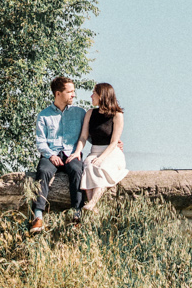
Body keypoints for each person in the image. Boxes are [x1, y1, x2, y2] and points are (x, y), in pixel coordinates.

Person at [28, 74, 86, 233]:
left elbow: (89, 133)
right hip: (51, 153)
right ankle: (38, 217)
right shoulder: (44, 115)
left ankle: (76, 215)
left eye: (74, 91)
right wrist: (50, 155)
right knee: (43, 171)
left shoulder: (80, 113)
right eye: (70, 92)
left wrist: (114, 143)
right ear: (58, 93)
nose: (73, 94)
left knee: (77, 171)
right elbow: (40, 141)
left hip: (71, 154)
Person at [77, 82, 129, 211]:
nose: (91, 96)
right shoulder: (90, 113)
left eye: (94, 93)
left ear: (102, 95)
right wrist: (78, 151)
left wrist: (101, 158)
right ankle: (91, 205)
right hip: (95, 151)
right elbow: (83, 137)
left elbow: (114, 142)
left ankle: (93, 202)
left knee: (101, 166)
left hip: (111, 152)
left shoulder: (117, 115)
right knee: (88, 166)